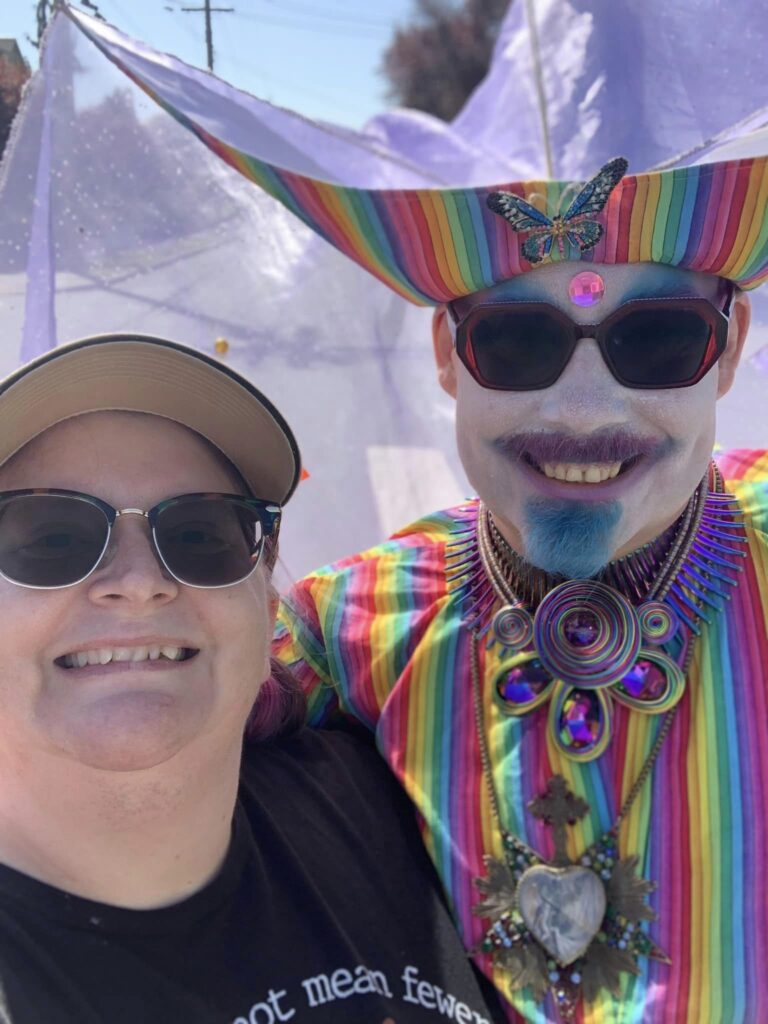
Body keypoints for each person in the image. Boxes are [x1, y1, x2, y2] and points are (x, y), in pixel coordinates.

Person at [271, 154, 768, 1022]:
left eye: (657, 340)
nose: (582, 409)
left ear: (725, 352)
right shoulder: (341, 630)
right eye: (514, 342)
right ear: (446, 353)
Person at [0, 332, 501, 1024]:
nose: (140, 583)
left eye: (201, 534)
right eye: (51, 537)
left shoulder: (385, 790)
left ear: (266, 608)